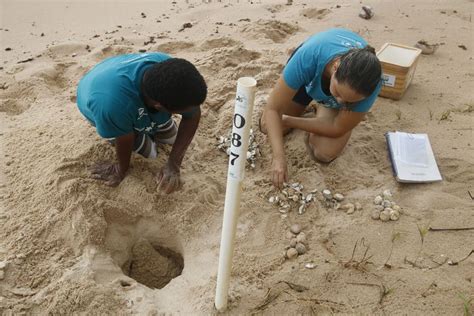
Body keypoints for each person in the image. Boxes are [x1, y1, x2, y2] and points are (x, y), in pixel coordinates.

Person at [260, 28, 382, 188]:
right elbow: (273, 109)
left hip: (330, 85)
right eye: (338, 93)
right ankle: (318, 105)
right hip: (310, 76)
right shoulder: (309, 57)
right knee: (266, 126)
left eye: (349, 102)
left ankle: (322, 107)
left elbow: (337, 127)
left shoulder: (372, 84)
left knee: (324, 152)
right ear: (336, 66)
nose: (339, 101)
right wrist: (278, 158)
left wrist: (289, 120)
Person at [76, 52, 207, 193]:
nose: (192, 110)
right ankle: (139, 130)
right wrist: (121, 169)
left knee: (172, 139)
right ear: (159, 106)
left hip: (125, 90)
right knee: (150, 153)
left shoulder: (170, 70)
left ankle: (149, 127)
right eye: (180, 111)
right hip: (105, 100)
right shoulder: (111, 105)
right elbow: (124, 137)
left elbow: (192, 114)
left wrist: (173, 164)